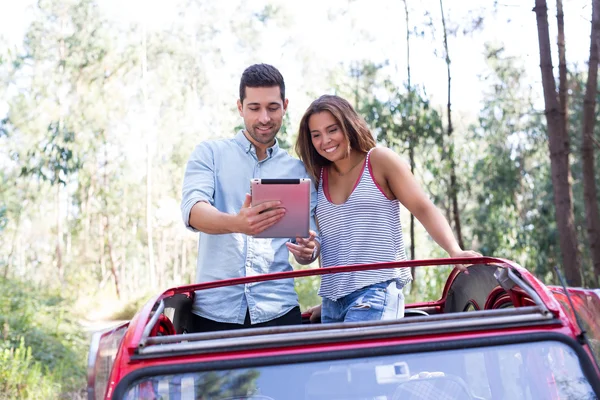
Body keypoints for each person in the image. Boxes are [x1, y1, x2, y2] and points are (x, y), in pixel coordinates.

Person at [294, 94, 481, 323]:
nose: (325, 140)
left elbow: (423, 208)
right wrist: (308, 254)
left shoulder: (379, 160)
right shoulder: (316, 177)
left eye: (332, 130)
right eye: (316, 135)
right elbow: (325, 242)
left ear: (348, 125)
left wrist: (454, 250)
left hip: (376, 291)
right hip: (333, 303)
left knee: (358, 359)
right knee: (345, 361)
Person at [180, 64, 320, 332]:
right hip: (214, 313)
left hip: (279, 311)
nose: (264, 118)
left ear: (285, 105)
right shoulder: (210, 154)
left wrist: (308, 250)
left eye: (272, 107)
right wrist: (236, 223)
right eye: (254, 108)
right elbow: (193, 211)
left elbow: (308, 243)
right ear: (240, 107)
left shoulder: (298, 171)